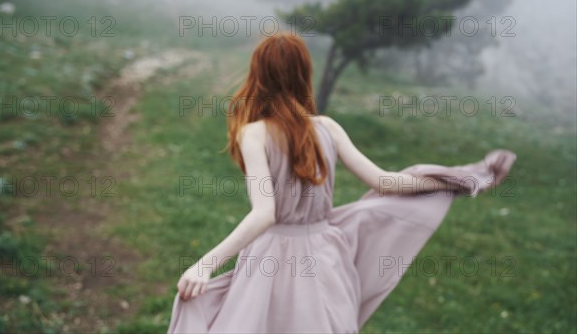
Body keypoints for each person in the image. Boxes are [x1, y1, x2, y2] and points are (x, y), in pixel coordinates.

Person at [166, 32, 517, 333]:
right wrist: (458, 177)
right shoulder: (328, 128)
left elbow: (265, 213)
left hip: (270, 261)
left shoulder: (254, 134)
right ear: (304, 73)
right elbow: (388, 182)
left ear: (259, 74)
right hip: (325, 257)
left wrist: (205, 264)